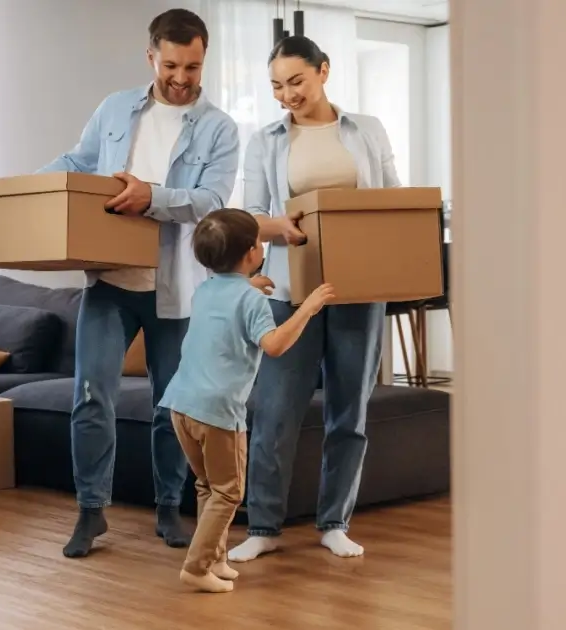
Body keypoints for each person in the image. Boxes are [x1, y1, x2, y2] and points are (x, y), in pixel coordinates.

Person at [36, 8, 240, 559]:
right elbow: (80, 161)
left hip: (177, 285)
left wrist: (151, 196)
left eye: (193, 66)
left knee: (171, 405)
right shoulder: (114, 109)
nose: (181, 77)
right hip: (110, 281)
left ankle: (169, 508)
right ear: (150, 56)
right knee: (90, 397)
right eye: (171, 64)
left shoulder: (219, 128)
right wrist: (30, 188)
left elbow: (212, 201)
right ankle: (90, 511)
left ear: (204, 60)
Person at [228, 36, 401, 562]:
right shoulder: (266, 141)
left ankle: (335, 522)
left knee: (349, 410)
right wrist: (279, 228)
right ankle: (262, 526)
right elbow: (251, 215)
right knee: (275, 411)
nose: (287, 94)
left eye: (297, 81)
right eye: (277, 85)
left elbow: (394, 200)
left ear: (323, 71)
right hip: (289, 291)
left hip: (359, 288)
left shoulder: (365, 130)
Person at [160, 208, 333, 593]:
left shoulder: (204, 290)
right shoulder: (252, 302)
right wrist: (307, 308)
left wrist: (249, 286)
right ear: (253, 252)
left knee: (208, 486)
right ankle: (196, 565)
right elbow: (274, 346)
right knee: (229, 491)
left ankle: (216, 559)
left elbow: (229, 300)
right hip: (218, 412)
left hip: (180, 404)